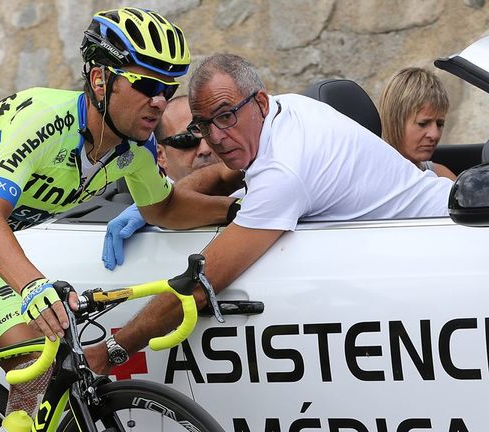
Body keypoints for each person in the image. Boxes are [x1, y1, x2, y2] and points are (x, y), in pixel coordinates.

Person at [0, 8, 234, 432]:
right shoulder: (42, 119)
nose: (160, 100)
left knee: (37, 360)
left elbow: (164, 209)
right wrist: (34, 287)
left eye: (168, 88)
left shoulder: (132, 152)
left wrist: (239, 210)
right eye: (145, 85)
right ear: (99, 80)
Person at [86, 53, 454, 374]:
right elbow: (218, 175)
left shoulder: (284, 173)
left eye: (225, 116)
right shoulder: (285, 109)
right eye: (201, 126)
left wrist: (113, 351)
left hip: (447, 239)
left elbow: (199, 285)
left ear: (259, 102)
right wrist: (159, 206)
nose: (214, 138)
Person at [102, 96, 228, 270]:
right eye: (186, 141)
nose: (205, 149)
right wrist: (156, 209)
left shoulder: (254, 183)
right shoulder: (134, 209)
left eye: (210, 135)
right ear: (160, 155)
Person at [379, 67, 456, 180]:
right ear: (394, 121)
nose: (434, 134)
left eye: (439, 124)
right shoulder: (375, 178)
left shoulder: (441, 176)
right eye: (423, 123)